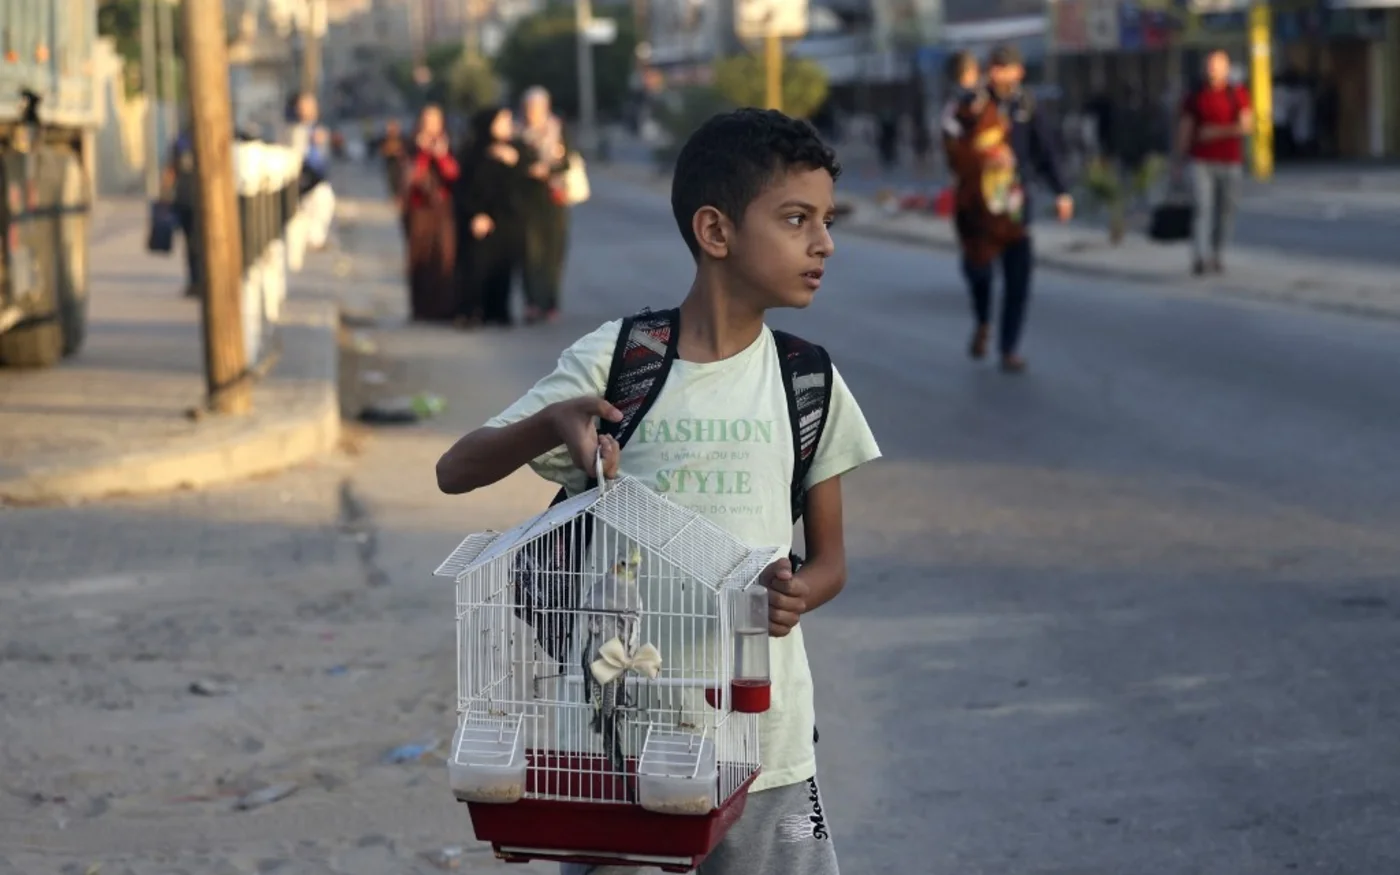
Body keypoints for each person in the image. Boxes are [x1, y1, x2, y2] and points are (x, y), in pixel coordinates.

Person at [435, 108, 882, 875]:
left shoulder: (806, 380)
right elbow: (457, 468)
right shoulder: (622, 360)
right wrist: (550, 422)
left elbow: (831, 561)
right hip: (621, 754)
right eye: (796, 219)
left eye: (827, 221)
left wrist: (797, 591)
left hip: (770, 755)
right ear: (716, 231)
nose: (824, 244)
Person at [948, 44, 1072, 374]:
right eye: (994, 67)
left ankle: (1008, 348)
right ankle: (984, 320)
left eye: (1005, 68)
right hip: (978, 206)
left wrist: (1062, 192)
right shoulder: (975, 102)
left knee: (1019, 279)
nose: (999, 74)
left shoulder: (1027, 106)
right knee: (979, 273)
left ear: (1019, 72)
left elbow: (1046, 151)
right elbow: (953, 135)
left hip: (1015, 205)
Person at [1175, 50, 1252, 276]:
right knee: (1202, 207)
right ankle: (1200, 256)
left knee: (1226, 210)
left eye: (1217, 66)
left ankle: (1218, 254)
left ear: (1226, 69)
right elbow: (1185, 127)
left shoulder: (1236, 93)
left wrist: (1216, 132)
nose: (1212, 71)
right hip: (1200, 161)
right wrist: (1178, 159)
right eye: (1209, 66)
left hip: (1230, 161)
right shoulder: (1196, 95)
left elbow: (1246, 126)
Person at [453, 105, 526, 328]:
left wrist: (514, 163)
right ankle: (471, 310)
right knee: (476, 267)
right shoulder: (473, 152)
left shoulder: (515, 151)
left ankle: (498, 310)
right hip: (478, 220)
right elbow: (466, 187)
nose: (507, 126)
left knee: (502, 267)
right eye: (502, 121)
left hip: (505, 220)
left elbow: (518, 188)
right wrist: (476, 214)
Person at [517, 86, 573, 325]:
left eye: (537, 107)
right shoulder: (518, 134)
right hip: (528, 202)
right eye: (529, 108)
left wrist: (549, 169)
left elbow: (569, 161)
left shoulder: (558, 131)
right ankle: (532, 303)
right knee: (530, 254)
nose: (533, 112)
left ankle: (550, 302)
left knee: (553, 254)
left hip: (554, 200)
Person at [401, 104, 461, 323]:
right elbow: (410, 177)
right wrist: (424, 153)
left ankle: (444, 307)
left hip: (442, 209)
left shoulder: (448, 144)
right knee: (420, 257)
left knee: (443, 256)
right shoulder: (411, 146)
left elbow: (454, 174)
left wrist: (440, 154)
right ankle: (421, 308)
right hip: (419, 209)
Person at [290, 93, 337, 251]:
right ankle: (311, 240)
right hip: (301, 178)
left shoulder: (319, 129)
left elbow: (323, 157)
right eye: (303, 107)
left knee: (323, 201)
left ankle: (315, 239)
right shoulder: (294, 129)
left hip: (317, 179)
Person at [160, 127, 201, 299]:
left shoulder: (181, 141)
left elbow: (171, 171)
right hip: (196, 199)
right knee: (197, 243)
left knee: (191, 244)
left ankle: (194, 282)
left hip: (184, 199)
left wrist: (165, 194)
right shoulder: (200, 139)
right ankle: (198, 281)